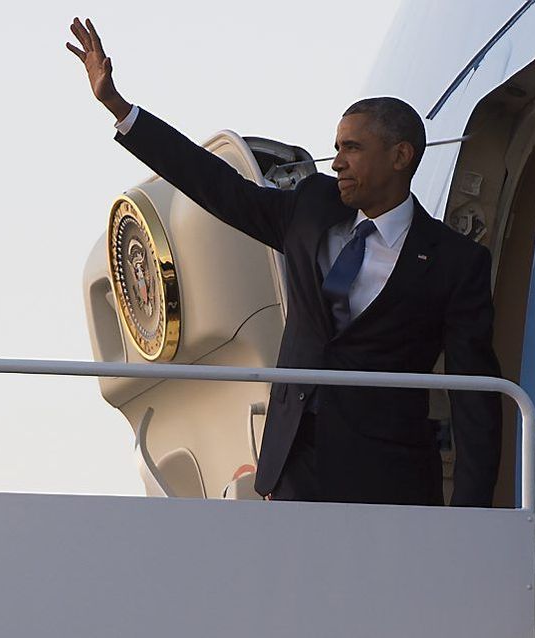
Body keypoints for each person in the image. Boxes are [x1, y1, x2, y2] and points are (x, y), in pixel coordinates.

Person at [66, 17, 502, 506]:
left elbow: (475, 398)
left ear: (401, 156)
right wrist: (121, 110)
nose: (337, 161)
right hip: (295, 467)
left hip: (388, 479)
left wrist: (472, 519)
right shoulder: (311, 210)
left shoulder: (456, 262)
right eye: (337, 148)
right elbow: (218, 187)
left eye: (352, 149)